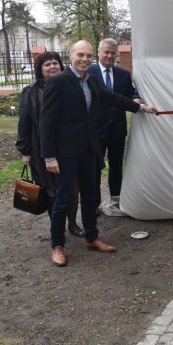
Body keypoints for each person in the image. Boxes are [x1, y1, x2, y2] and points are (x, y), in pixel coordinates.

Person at [40, 40, 159, 267]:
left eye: (88, 56)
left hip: (89, 150)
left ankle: (92, 237)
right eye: (80, 55)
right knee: (63, 200)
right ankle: (57, 245)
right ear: (70, 56)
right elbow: (46, 121)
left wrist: (141, 108)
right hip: (65, 154)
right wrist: (49, 156)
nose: (85, 60)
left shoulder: (91, 80)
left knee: (92, 195)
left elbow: (111, 98)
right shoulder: (58, 82)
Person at [15, 52, 86, 237]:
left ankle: (72, 224)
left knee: (72, 189)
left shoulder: (70, 86)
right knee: (51, 191)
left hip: (69, 148)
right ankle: (57, 227)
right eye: (47, 64)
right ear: (40, 69)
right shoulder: (31, 92)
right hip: (42, 150)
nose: (53, 66)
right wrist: (25, 151)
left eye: (55, 63)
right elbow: (24, 123)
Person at [87, 38, 141, 200]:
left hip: (117, 128)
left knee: (116, 165)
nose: (110, 56)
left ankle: (116, 199)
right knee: (94, 167)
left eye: (113, 53)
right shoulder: (89, 73)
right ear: (99, 53)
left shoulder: (123, 75)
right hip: (96, 129)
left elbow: (132, 93)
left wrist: (136, 98)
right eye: (106, 52)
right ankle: (93, 202)